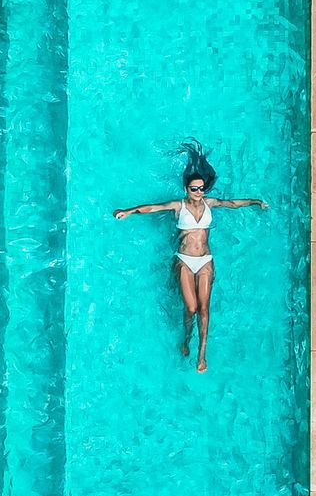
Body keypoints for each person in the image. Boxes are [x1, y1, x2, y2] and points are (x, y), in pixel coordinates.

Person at [112, 142, 267, 372]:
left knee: (205, 308)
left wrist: (255, 202)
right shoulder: (178, 206)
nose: (198, 192)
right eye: (194, 189)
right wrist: (128, 211)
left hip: (205, 260)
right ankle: (186, 338)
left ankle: (202, 354)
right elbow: (153, 208)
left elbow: (233, 203)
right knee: (191, 308)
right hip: (184, 260)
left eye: (201, 188)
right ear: (186, 188)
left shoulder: (210, 203)